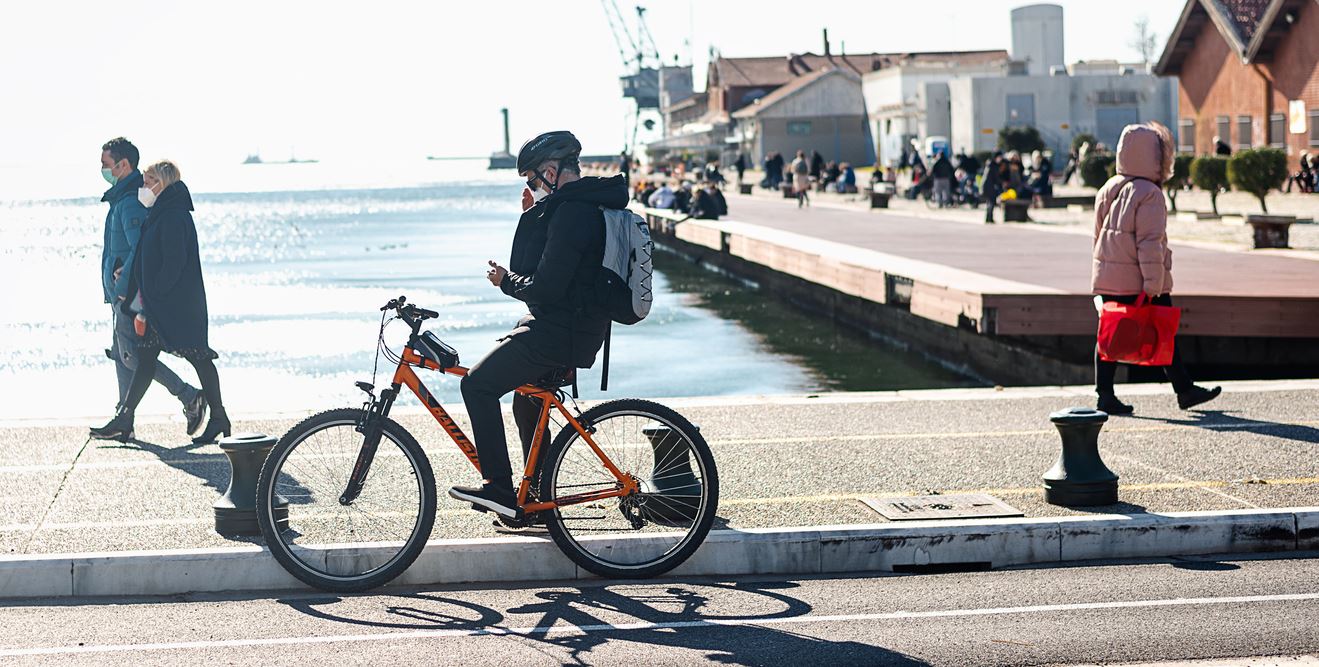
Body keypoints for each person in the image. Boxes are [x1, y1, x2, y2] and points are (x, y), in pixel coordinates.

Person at [449, 131, 626, 518]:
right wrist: (529, 216)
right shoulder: (579, 206)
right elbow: (541, 275)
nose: (532, 187)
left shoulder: (572, 213)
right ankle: (539, 502)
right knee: (526, 400)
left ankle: (498, 487)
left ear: (550, 171)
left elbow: (541, 287)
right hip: (569, 327)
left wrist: (504, 281)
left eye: (532, 180)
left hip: (560, 332)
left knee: (476, 385)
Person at [91, 160, 232, 444]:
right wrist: (132, 284)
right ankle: (125, 417)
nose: (142, 187)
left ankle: (218, 417)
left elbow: (173, 263)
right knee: (145, 360)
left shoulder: (173, 216)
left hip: (177, 306)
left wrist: (152, 294)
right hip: (160, 303)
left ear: (161, 183)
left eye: (147, 181)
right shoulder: (160, 212)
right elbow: (147, 255)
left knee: (199, 357)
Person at [1091, 122, 1221, 415]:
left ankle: (1105, 394)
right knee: (1162, 331)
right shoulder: (1149, 193)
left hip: (1109, 277)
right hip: (1140, 279)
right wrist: (1154, 283)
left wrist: (1100, 275)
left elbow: (1097, 235)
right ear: (1158, 157)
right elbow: (1150, 243)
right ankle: (1184, 390)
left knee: (1107, 336)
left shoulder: (1108, 188)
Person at [981, 152, 1004, 223]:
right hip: (989, 187)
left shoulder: (990, 165)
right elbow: (996, 178)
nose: (1000, 159)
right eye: (999, 157)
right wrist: (1000, 184)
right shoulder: (993, 165)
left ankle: (988, 218)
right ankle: (989, 218)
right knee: (991, 202)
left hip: (987, 186)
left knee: (989, 202)